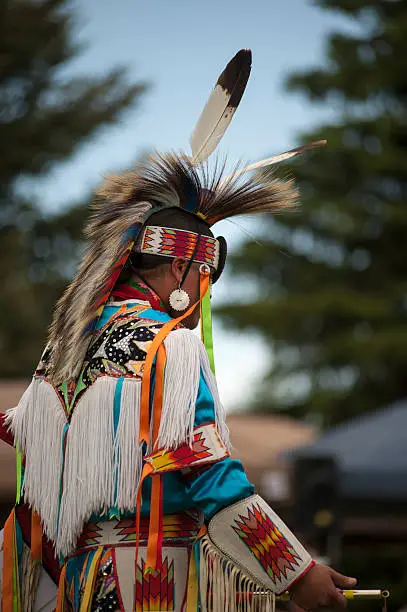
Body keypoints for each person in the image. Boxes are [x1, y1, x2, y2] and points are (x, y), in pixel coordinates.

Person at [0, 51, 356, 611]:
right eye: (206, 278)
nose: (204, 296)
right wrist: (296, 573)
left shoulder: (61, 351)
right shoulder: (170, 348)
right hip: (151, 582)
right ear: (181, 271)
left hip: (74, 583)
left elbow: (25, 450)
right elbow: (209, 472)